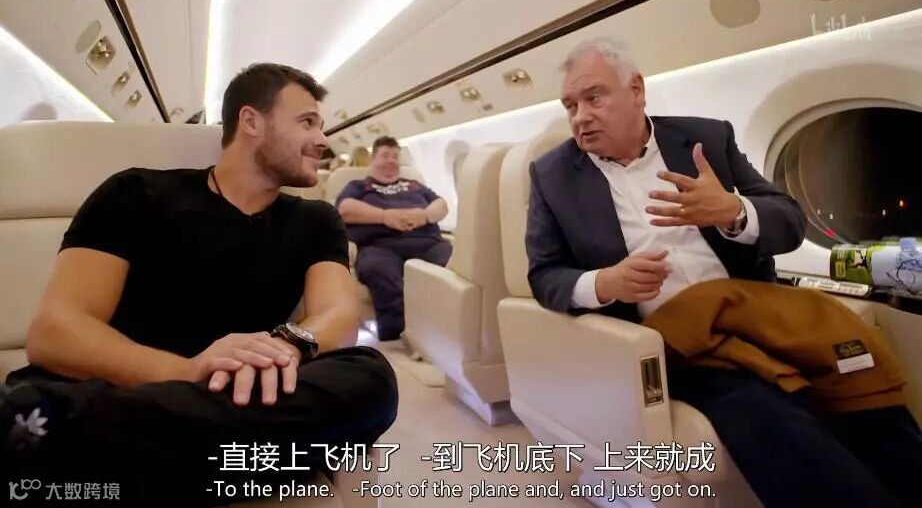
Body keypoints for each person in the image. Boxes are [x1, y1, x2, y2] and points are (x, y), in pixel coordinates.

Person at [525, 37, 921, 508]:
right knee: (773, 416)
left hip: (759, 318)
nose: (580, 117)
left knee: (860, 381)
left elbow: (791, 222)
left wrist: (734, 212)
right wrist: (604, 283)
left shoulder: (707, 140)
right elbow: (544, 274)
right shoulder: (552, 176)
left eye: (594, 97)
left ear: (636, 90)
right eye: (570, 106)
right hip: (679, 345)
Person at [0, 63, 398, 504]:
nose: (323, 140)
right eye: (307, 122)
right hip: (129, 386)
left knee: (371, 376)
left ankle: (70, 446)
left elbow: (338, 314)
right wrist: (190, 371)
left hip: (193, 405)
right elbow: (55, 332)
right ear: (251, 121)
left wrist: (285, 345)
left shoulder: (316, 220)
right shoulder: (136, 193)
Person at [336, 136, 450, 341]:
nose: (391, 160)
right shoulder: (360, 186)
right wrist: (385, 216)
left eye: (395, 156)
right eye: (385, 155)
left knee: (455, 262)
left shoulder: (414, 185)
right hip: (380, 246)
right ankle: (397, 338)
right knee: (378, 269)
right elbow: (345, 209)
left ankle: (447, 332)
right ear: (373, 159)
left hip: (428, 243)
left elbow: (441, 205)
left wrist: (424, 216)